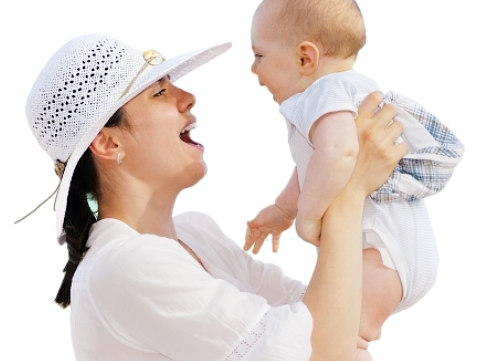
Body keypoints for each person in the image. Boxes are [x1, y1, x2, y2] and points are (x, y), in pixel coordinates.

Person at [22, 33, 407, 360]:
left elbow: (338, 320)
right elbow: (322, 350)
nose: (188, 97)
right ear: (109, 143)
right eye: (160, 92)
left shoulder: (197, 234)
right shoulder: (124, 266)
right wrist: (349, 186)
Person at [245, 0, 465, 360]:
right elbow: (315, 164)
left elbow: (339, 152)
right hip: (399, 252)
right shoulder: (352, 90)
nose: (253, 68)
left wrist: (308, 216)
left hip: (379, 252)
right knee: (339, 337)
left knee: (339, 339)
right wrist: (284, 209)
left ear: (305, 58)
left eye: (259, 55)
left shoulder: (323, 91)